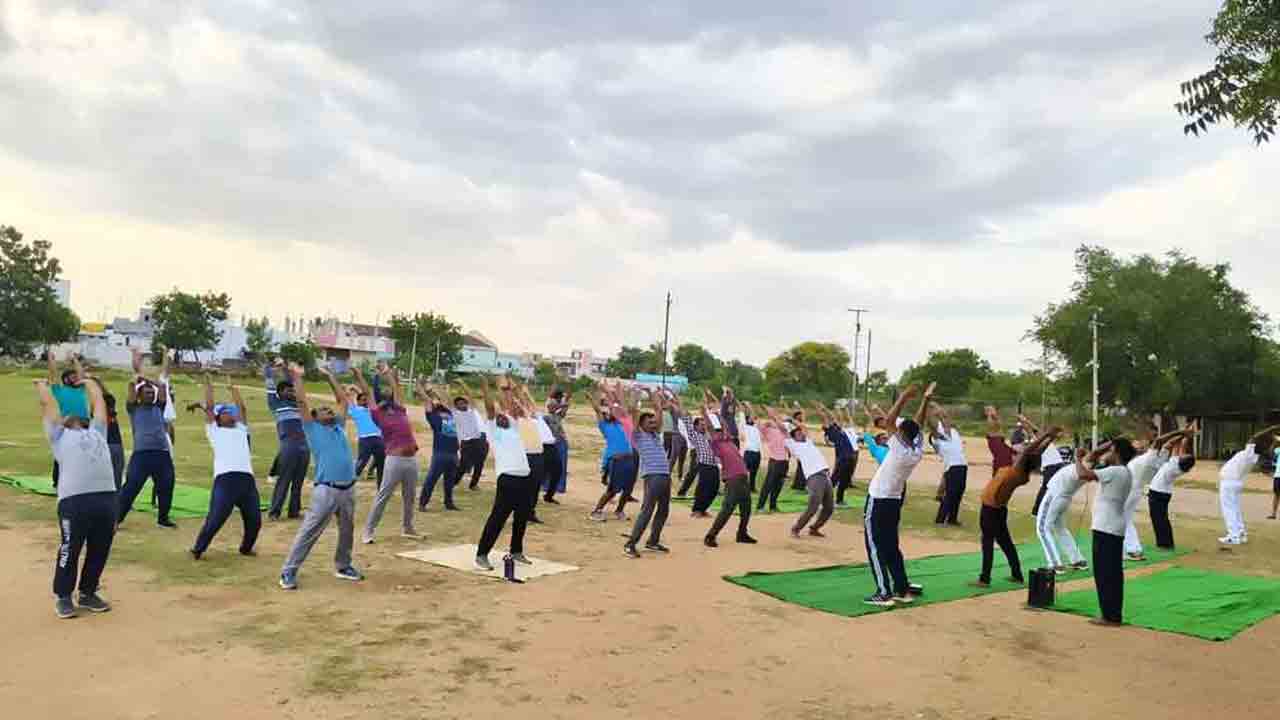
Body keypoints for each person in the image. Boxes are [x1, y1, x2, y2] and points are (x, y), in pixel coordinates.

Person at [37, 374, 116, 619]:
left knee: (100, 548)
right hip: (74, 501)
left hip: (106, 498)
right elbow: (49, 406)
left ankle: (88, 592)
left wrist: (91, 384)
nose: (70, 415)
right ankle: (63, 596)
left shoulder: (97, 431)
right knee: (70, 548)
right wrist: (43, 388)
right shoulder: (58, 435)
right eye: (66, 413)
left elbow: (100, 407)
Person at [279, 364, 364, 590]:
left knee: (347, 530)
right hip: (326, 490)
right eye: (324, 410)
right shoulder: (312, 428)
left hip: (348, 488)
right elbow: (302, 402)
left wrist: (330, 376)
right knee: (310, 531)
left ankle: (343, 566)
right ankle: (288, 571)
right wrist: (297, 378)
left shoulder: (338, 427)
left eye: (329, 409)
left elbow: (343, 401)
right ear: (314, 418)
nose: (329, 411)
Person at [862, 383, 934, 607]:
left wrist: (903, 397)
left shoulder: (898, 448)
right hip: (893, 501)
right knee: (891, 545)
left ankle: (883, 593)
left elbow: (890, 420)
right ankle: (901, 588)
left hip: (879, 499)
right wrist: (925, 399)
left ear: (901, 434)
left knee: (874, 545)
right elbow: (918, 424)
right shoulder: (915, 449)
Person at [973, 423, 1063, 588]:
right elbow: (1035, 452)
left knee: (987, 542)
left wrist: (1045, 436)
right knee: (1005, 542)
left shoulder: (1016, 471)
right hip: (999, 509)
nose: (1017, 454)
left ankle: (984, 578)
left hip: (991, 509)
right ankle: (1017, 574)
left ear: (1023, 460)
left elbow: (1030, 452)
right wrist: (1049, 437)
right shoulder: (1022, 474)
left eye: (1019, 454)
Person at [190, 373, 261, 559]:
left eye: (231, 412)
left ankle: (246, 548)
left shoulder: (241, 428)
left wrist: (232, 388)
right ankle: (198, 549)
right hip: (225, 480)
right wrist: (208, 385)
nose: (231, 414)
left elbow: (242, 408)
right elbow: (210, 407)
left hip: (246, 479)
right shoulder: (214, 431)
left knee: (254, 520)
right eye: (226, 412)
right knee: (216, 519)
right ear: (218, 418)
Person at [473, 376, 534, 570]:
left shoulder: (514, 426)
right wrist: (486, 389)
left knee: (522, 516)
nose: (502, 415)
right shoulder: (494, 430)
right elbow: (491, 408)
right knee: (498, 517)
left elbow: (512, 407)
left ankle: (516, 551)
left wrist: (509, 390)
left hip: (525, 476)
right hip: (507, 477)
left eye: (504, 413)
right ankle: (482, 555)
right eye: (499, 414)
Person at [1076, 437, 1138, 626]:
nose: (1108, 454)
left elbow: (1083, 474)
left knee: (1105, 573)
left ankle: (1109, 615)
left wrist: (1077, 458)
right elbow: (1095, 460)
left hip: (1106, 527)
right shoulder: (1122, 471)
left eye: (1111, 450)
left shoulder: (1115, 471)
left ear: (1117, 453)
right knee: (1112, 573)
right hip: (1111, 526)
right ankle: (1112, 614)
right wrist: (1102, 450)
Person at [358, 366, 421, 544]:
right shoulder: (377, 414)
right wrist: (360, 376)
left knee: (409, 497)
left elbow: (397, 389)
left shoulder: (400, 410)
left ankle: (408, 528)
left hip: (411, 459)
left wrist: (388, 374)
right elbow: (367, 392)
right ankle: (368, 531)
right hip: (394, 460)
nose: (386, 399)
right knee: (383, 496)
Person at [116, 349, 178, 528]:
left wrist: (149, 382)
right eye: (147, 393)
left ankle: (163, 519)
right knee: (131, 488)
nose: (151, 394)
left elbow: (162, 387)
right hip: (141, 454)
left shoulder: (159, 406)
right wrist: (141, 381)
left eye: (152, 393)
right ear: (140, 394)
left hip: (162, 453)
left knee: (167, 486)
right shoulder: (133, 408)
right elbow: (130, 385)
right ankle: (116, 519)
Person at [1122, 424, 1191, 561]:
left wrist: (1181, 431)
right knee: (1126, 520)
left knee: (1121, 520)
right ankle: (1134, 550)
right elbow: (1168, 444)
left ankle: (1131, 550)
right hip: (1135, 490)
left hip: (1129, 489)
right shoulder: (1161, 459)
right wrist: (1183, 435)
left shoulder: (1151, 458)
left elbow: (1160, 441)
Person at [765, 404, 834, 539]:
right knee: (813, 506)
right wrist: (773, 416)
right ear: (793, 436)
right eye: (797, 433)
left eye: (800, 432)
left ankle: (814, 528)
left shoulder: (808, 441)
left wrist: (792, 419)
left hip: (825, 475)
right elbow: (782, 428)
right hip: (814, 477)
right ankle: (796, 529)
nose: (801, 433)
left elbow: (803, 427)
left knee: (829, 507)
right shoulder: (792, 444)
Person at [625, 391, 676, 557]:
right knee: (647, 510)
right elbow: (633, 410)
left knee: (663, 510)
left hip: (664, 476)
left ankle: (653, 541)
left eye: (654, 421)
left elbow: (659, 412)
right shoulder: (638, 435)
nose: (654, 423)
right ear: (641, 424)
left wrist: (653, 395)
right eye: (649, 421)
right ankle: (630, 544)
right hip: (652, 476)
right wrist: (636, 394)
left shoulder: (655, 435)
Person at [703, 401, 756, 547]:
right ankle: (710, 536)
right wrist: (705, 414)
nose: (724, 431)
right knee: (727, 509)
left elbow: (725, 426)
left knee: (746, 508)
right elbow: (709, 428)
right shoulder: (715, 443)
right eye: (719, 431)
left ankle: (742, 533)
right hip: (733, 479)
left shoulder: (729, 441)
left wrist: (719, 415)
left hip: (743, 476)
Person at [1218, 424, 1280, 545]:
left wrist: (1273, 428)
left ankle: (1234, 536)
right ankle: (1240, 533)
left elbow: (1255, 437)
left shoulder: (1249, 452)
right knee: (1234, 509)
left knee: (1229, 510)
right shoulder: (1253, 456)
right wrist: (1272, 438)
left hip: (1229, 482)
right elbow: (1259, 441)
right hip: (1235, 482)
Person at [264, 359, 310, 520]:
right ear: (280, 393)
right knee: (284, 480)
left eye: (292, 390)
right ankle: (274, 512)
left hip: (304, 445)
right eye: (287, 390)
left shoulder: (299, 405)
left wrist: (289, 372)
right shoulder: (275, 404)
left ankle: (294, 511)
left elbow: (295, 384)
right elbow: (269, 385)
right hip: (288, 445)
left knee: (298, 481)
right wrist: (270, 370)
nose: (291, 392)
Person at [1035, 448, 1090, 574]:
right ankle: (1077, 560)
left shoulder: (1081, 469)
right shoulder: (1083, 468)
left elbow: (1087, 460)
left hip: (1054, 496)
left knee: (1042, 529)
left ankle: (1055, 564)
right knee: (1060, 529)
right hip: (1063, 498)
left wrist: (1077, 458)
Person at [589, 383, 638, 521]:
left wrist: (618, 394)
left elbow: (620, 407)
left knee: (628, 489)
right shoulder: (604, 425)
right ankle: (596, 511)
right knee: (613, 490)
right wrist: (595, 396)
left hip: (629, 458)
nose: (612, 414)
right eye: (610, 413)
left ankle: (619, 511)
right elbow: (597, 410)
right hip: (616, 460)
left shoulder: (621, 423)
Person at [1148, 427, 1197, 549]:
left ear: (1183, 459)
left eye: (1184, 455)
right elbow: (1181, 447)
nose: (1183, 454)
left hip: (1157, 493)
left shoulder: (1175, 463)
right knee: (1162, 519)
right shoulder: (1179, 466)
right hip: (1163, 493)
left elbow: (1176, 445)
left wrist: (1184, 435)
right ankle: (1166, 543)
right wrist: (1186, 435)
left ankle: (1164, 544)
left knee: (1159, 520)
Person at [416, 380, 461, 512]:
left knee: (449, 481)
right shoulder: (433, 415)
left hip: (453, 452)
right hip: (440, 453)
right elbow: (426, 399)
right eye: (434, 400)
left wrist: (437, 388)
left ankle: (449, 503)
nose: (437, 401)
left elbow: (446, 398)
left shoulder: (450, 413)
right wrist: (420, 386)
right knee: (432, 479)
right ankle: (422, 503)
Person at [46, 350, 89, 487]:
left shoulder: (80, 389)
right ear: (65, 379)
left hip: (84, 424)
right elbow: (53, 375)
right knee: (63, 453)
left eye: (75, 376)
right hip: (67, 424)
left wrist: (75, 359)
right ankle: (57, 482)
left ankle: (79, 480)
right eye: (72, 376)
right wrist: (51, 360)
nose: (76, 377)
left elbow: (81, 373)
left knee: (82, 452)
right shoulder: (59, 390)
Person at [929, 403, 968, 526]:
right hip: (952, 467)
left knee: (959, 493)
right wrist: (929, 408)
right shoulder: (937, 440)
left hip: (962, 465)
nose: (946, 424)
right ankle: (940, 519)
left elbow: (946, 418)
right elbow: (931, 424)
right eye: (943, 424)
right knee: (950, 494)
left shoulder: (954, 432)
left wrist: (937, 407)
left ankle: (952, 519)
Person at [1018, 415, 1065, 516]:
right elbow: (1033, 430)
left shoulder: (1045, 439)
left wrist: (1026, 420)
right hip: (1050, 466)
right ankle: (1036, 510)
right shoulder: (1037, 441)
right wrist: (1025, 421)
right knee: (1046, 488)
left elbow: (1035, 430)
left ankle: (1042, 509)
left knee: (1052, 488)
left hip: (1058, 465)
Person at [813, 402, 856, 510]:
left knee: (845, 480)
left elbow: (836, 417)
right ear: (826, 428)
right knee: (834, 480)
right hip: (843, 458)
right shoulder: (831, 432)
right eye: (828, 424)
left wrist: (827, 408)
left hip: (850, 457)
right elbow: (825, 418)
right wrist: (820, 410)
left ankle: (839, 500)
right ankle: (822, 501)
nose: (831, 422)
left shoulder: (838, 429)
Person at [680, 411, 720, 518]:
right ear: (696, 426)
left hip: (714, 465)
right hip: (704, 465)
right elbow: (687, 421)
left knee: (714, 488)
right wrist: (679, 405)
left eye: (704, 425)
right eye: (701, 425)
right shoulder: (694, 435)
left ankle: (703, 509)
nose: (704, 427)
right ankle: (697, 510)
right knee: (703, 487)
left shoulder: (708, 436)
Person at [451, 382, 489, 491]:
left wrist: (463, 385)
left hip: (481, 438)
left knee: (480, 463)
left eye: (463, 402)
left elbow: (471, 397)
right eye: (458, 403)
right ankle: (454, 482)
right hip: (467, 441)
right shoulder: (456, 414)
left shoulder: (473, 410)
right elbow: (448, 401)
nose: (461, 404)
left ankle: (473, 484)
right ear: (456, 406)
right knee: (463, 464)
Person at [348, 380, 386, 487]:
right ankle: (349, 484)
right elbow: (350, 400)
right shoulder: (355, 410)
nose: (365, 402)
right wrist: (351, 391)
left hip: (379, 439)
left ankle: (380, 487)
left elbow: (367, 396)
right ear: (358, 402)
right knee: (361, 463)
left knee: (381, 465)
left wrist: (356, 389)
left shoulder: (372, 409)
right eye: (363, 400)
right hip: (365, 440)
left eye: (366, 400)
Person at [754, 406, 791, 512]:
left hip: (785, 461)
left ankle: (773, 506)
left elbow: (782, 427)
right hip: (775, 460)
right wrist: (769, 419)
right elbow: (757, 423)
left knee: (778, 485)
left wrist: (774, 417)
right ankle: (760, 506)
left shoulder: (783, 428)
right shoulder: (767, 429)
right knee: (768, 484)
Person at [542, 389, 571, 504]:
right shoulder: (546, 416)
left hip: (557, 443)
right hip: (549, 445)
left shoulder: (556, 416)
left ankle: (549, 493)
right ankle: (547, 492)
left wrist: (566, 400)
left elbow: (563, 409)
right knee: (550, 469)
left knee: (557, 470)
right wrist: (564, 402)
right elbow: (552, 406)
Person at [984, 406, 1015, 477]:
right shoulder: (990, 420)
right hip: (995, 442)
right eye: (991, 410)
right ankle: (997, 475)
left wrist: (994, 415)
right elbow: (991, 426)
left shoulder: (997, 419)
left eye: (993, 410)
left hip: (1000, 442)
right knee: (1001, 459)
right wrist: (989, 415)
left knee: (1009, 455)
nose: (994, 411)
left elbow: (999, 424)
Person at [741, 413, 763, 493]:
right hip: (749, 452)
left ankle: (752, 488)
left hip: (757, 453)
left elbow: (758, 420)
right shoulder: (745, 427)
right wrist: (747, 408)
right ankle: (743, 487)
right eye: (750, 418)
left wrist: (754, 415)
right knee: (745, 472)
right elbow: (742, 416)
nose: (752, 419)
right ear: (747, 419)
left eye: (753, 418)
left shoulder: (757, 427)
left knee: (754, 472)